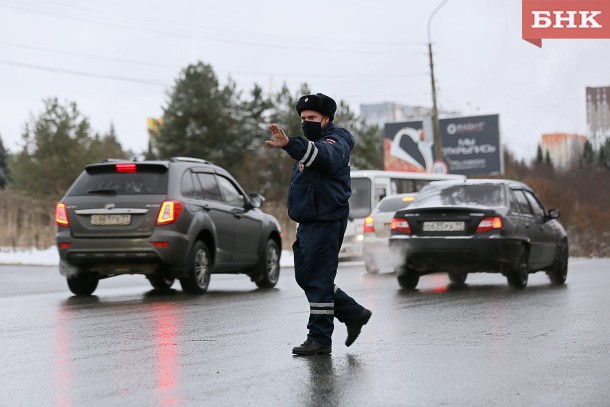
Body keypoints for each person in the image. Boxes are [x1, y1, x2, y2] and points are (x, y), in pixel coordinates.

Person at [266, 93, 372, 356]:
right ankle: (353, 313)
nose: (306, 122)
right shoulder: (313, 144)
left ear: (327, 118)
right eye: (302, 118)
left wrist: (291, 143)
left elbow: (325, 157)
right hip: (309, 221)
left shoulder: (337, 140)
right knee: (307, 276)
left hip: (326, 220)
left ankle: (320, 338)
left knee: (319, 279)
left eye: (311, 118)